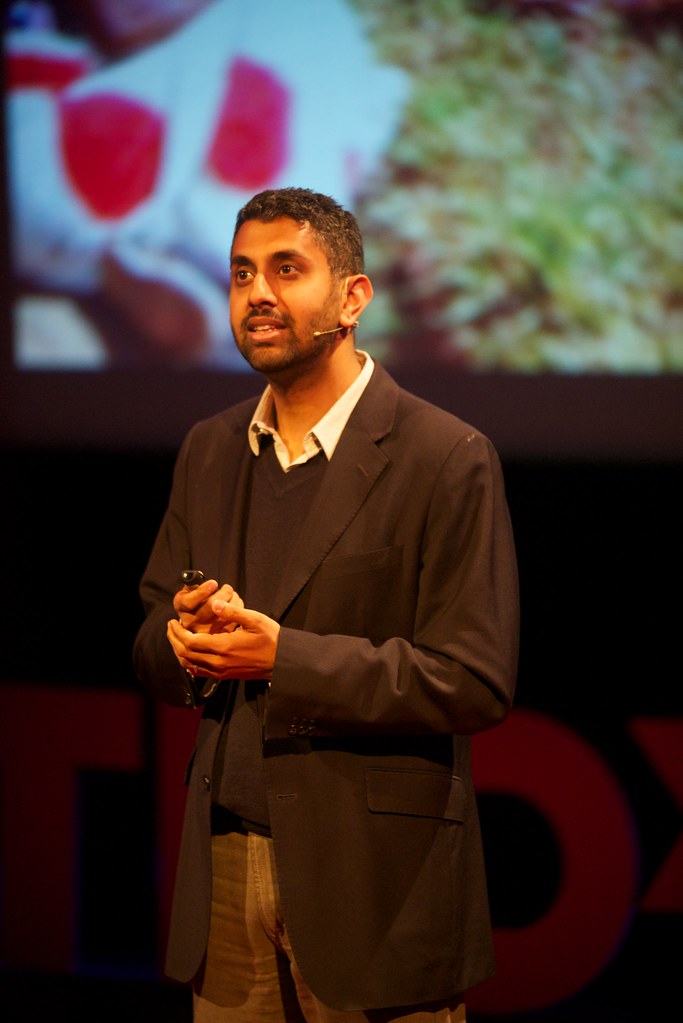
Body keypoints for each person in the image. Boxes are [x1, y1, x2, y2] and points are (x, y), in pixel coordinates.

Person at [133, 187, 520, 1022]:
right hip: (226, 868)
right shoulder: (208, 448)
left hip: (373, 880)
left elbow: (473, 679)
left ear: (352, 298)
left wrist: (283, 658)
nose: (257, 294)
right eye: (241, 274)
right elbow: (149, 642)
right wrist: (186, 639)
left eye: (285, 269)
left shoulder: (445, 456)